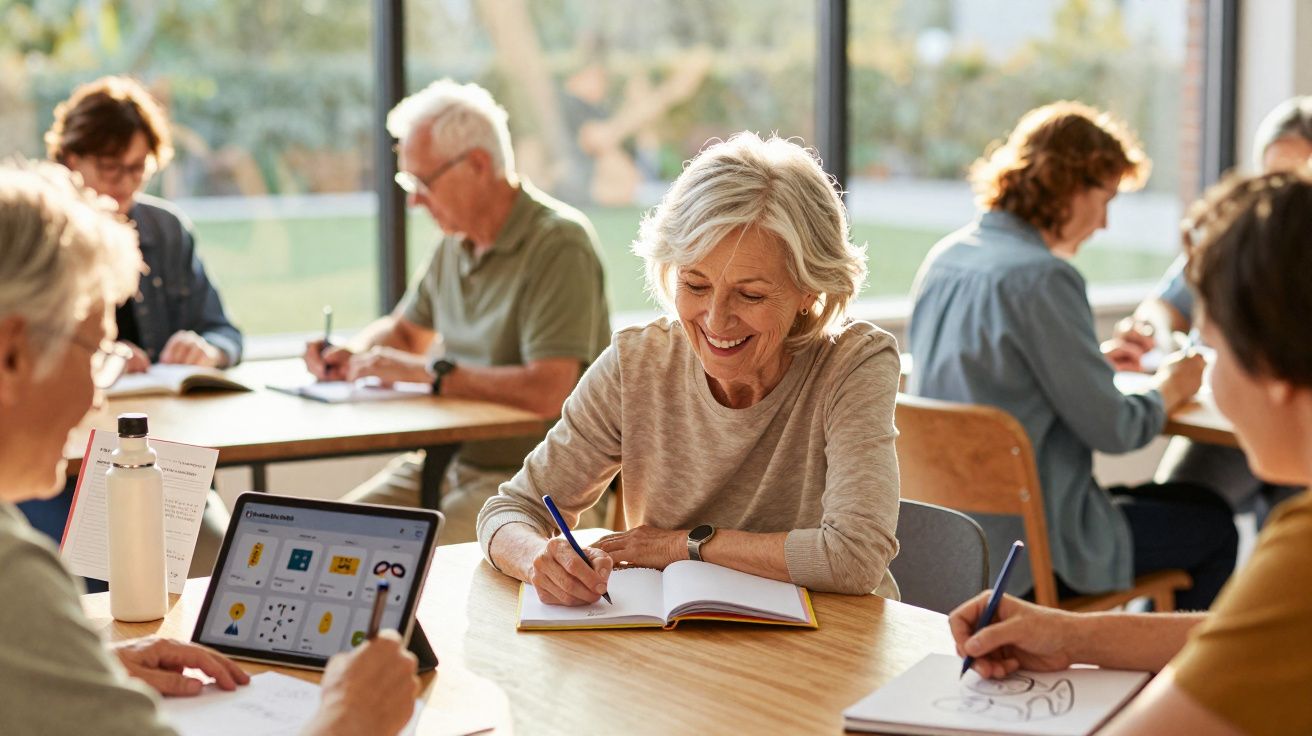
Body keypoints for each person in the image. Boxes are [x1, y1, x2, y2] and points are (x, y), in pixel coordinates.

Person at [0, 160, 419, 735]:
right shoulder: (12, 576)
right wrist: (353, 718)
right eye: (96, 352)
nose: (97, 397)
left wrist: (87, 663)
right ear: (12, 355)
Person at [950, 168, 1312, 735]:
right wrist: (1068, 635)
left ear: (1272, 367)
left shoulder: (1303, 546)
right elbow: (1253, 634)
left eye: (1210, 350)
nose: (1211, 381)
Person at [477, 132, 901, 605]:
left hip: (835, 648)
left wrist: (683, 545)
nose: (716, 321)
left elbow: (854, 557)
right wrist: (540, 560)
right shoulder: (637, 364)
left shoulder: (854, 363)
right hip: (680, 650)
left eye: (752, 294)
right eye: (695, 285)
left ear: (809, 290)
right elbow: (510, 510)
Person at [907, 101, 1236, 609]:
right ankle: (1159, 683)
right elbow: (1117, 430)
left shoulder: (946, 259)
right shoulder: (1044, 278)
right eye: (1105, 198)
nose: (1104, 222)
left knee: (1187, 501)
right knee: (1213, 524)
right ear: (1067, 185)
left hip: (955, 545)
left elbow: (994, 378)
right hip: (1038, 552)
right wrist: (1172, 387)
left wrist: (1089, 364)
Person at [303, 79, 611, 544]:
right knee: (314, 536)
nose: (413, 200)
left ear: (479, 165)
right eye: (407, 183)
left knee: (406, 563)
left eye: (422, 182)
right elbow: (406, 336)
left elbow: (550, 390)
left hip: (534, 485)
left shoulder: (559, 243)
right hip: (450, 463)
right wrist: (354, 353)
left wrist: (432, 374)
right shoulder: (454, 242)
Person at [21, 76, 242, 576]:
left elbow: (225, 332)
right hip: (63, 461)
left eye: (137, 170)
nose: (123, 184)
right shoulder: (32, 237)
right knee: (98, 576)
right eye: (109, 168)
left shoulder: (165, 230)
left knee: (219, 567)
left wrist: (208, 349)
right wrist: (99, 356)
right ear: (70, 159)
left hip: (163, 455)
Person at [1114, 96, 1312, 519]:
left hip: (1295, 427)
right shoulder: (1235, 241)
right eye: (1275, 177)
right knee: (1180, 514)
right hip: (1232, 427)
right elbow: (1165, 306)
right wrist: (1158, 338)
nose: (1284, 195)